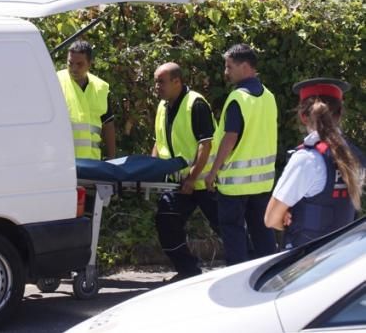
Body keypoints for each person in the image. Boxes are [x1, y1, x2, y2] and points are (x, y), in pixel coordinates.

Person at [264, 78, 365, 248]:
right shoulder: (356, 156)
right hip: (344, 261)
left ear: (303, 117)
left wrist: (284, 219)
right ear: (340, 114)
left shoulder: (307, 159)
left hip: (307, 265)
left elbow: (271, 219)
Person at [205, 43, 278, 265]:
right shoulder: (269, 97)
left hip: (235, 185)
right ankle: (269, 276)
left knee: (234, 235)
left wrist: (213, 171)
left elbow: (230, 138)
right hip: (262, 183)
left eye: (229, 67)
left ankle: (237, 280)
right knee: (263, 233)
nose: (225, 72)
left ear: (245, 67)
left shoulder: (238, 98)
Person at [152, 62, 219, 280]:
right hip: (178, 183)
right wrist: (151, 169)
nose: (156, 87)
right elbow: (160, 142)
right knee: (166, 222)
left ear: (177, 82)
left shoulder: (195, 104)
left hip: (204, 182)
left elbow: (205, 144)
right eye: (156, 82)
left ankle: (248, 264)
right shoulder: (163, 107)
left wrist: (192, 177)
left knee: (225, 227)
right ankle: (188, 271)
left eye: (161, 82)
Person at [57, 40, 115, 160]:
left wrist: (111, 159)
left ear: (89, 64)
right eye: (70, 63)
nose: (74, 68)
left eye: (79, 64)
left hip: (92, 162)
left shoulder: (101, 88)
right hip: (63, 161)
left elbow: (108, 125)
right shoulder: (55, 82)